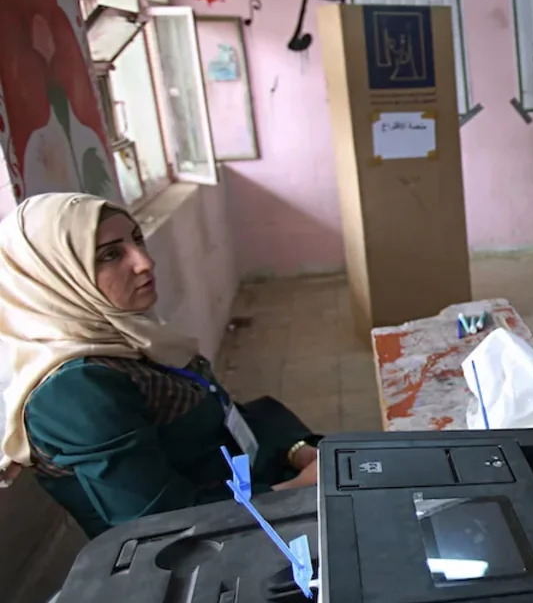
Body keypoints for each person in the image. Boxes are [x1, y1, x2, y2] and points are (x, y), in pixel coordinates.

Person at [0, 193, 321, 539]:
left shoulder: (125, 335)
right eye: (110, 255)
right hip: (214, 548)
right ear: (53, 276)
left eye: (137, 240)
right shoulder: (72, 390)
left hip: (252, 493)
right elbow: (160, 522)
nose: (144, 262)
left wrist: (294, 450)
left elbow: (216, 408)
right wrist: (295, 491)